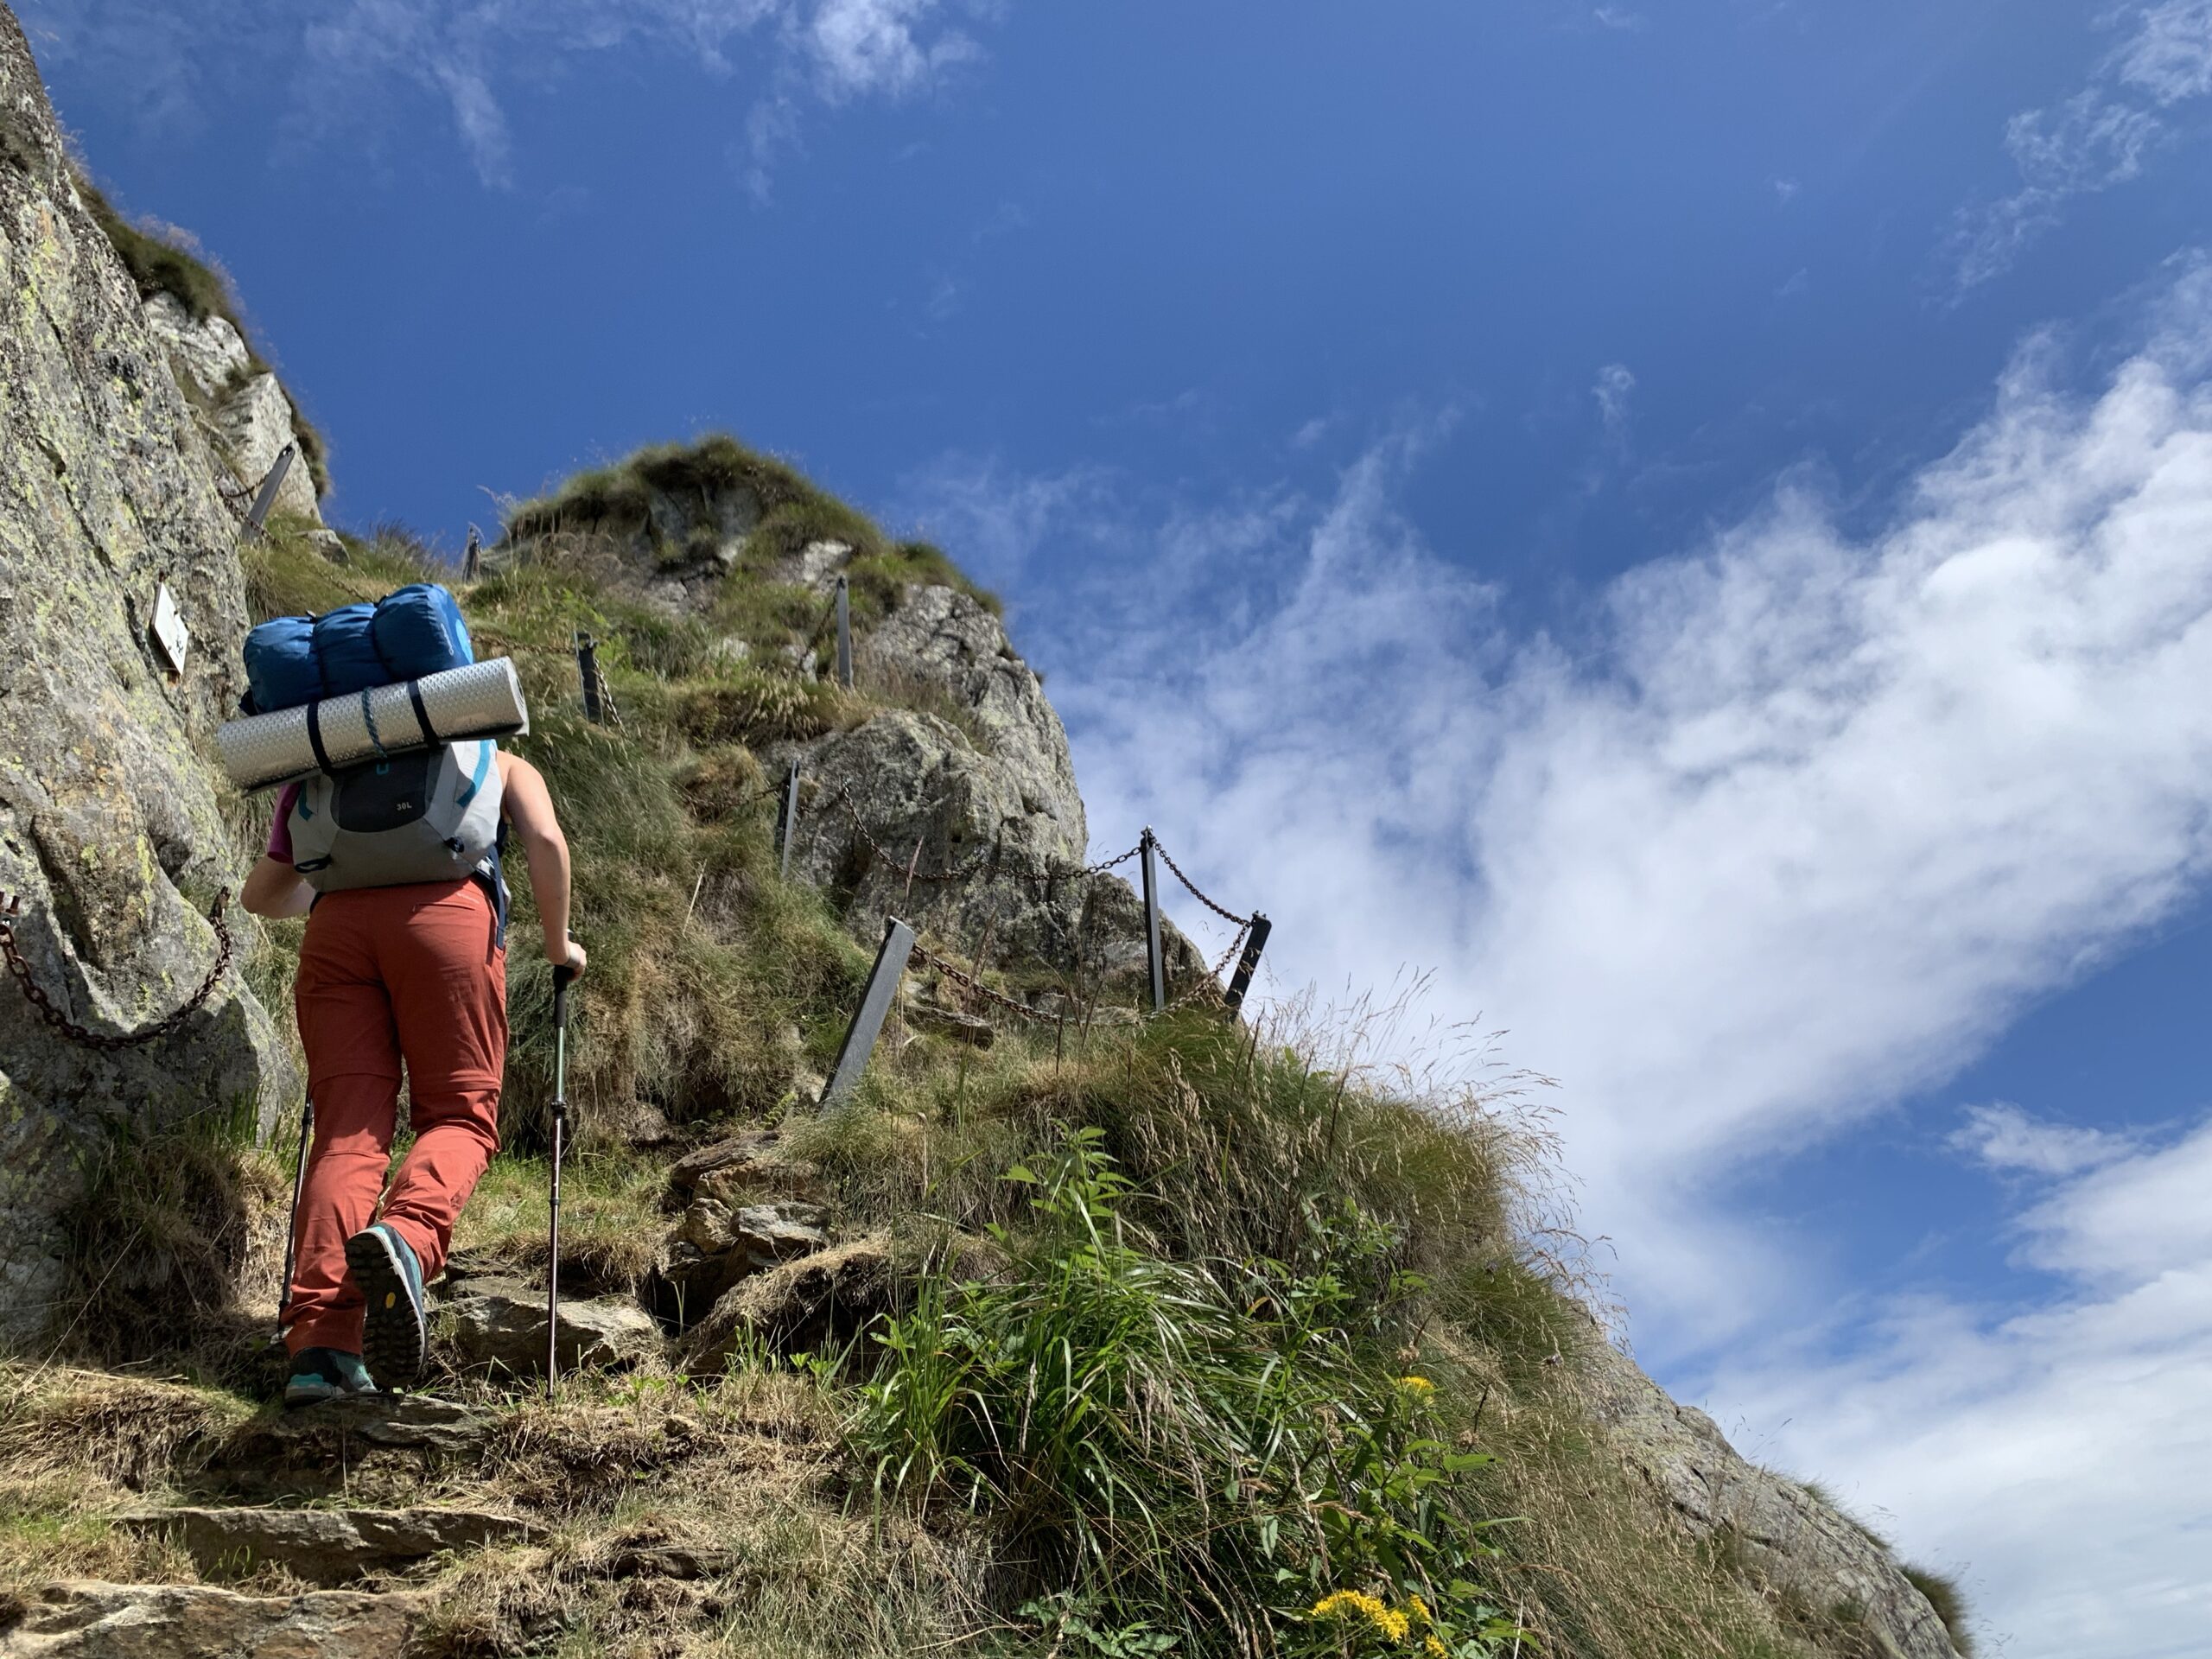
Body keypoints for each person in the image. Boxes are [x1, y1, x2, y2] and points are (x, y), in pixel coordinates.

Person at [242, 748, 585, 1404]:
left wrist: (346, 886)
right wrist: (559, 945)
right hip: (448, 921)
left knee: (346, 1133)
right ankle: (406, 1237)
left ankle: (320, 1349)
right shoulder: (495, 759)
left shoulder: (325, 760)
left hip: (336, 933)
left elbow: (262, 895)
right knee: (459, 1117)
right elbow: (544, 838)